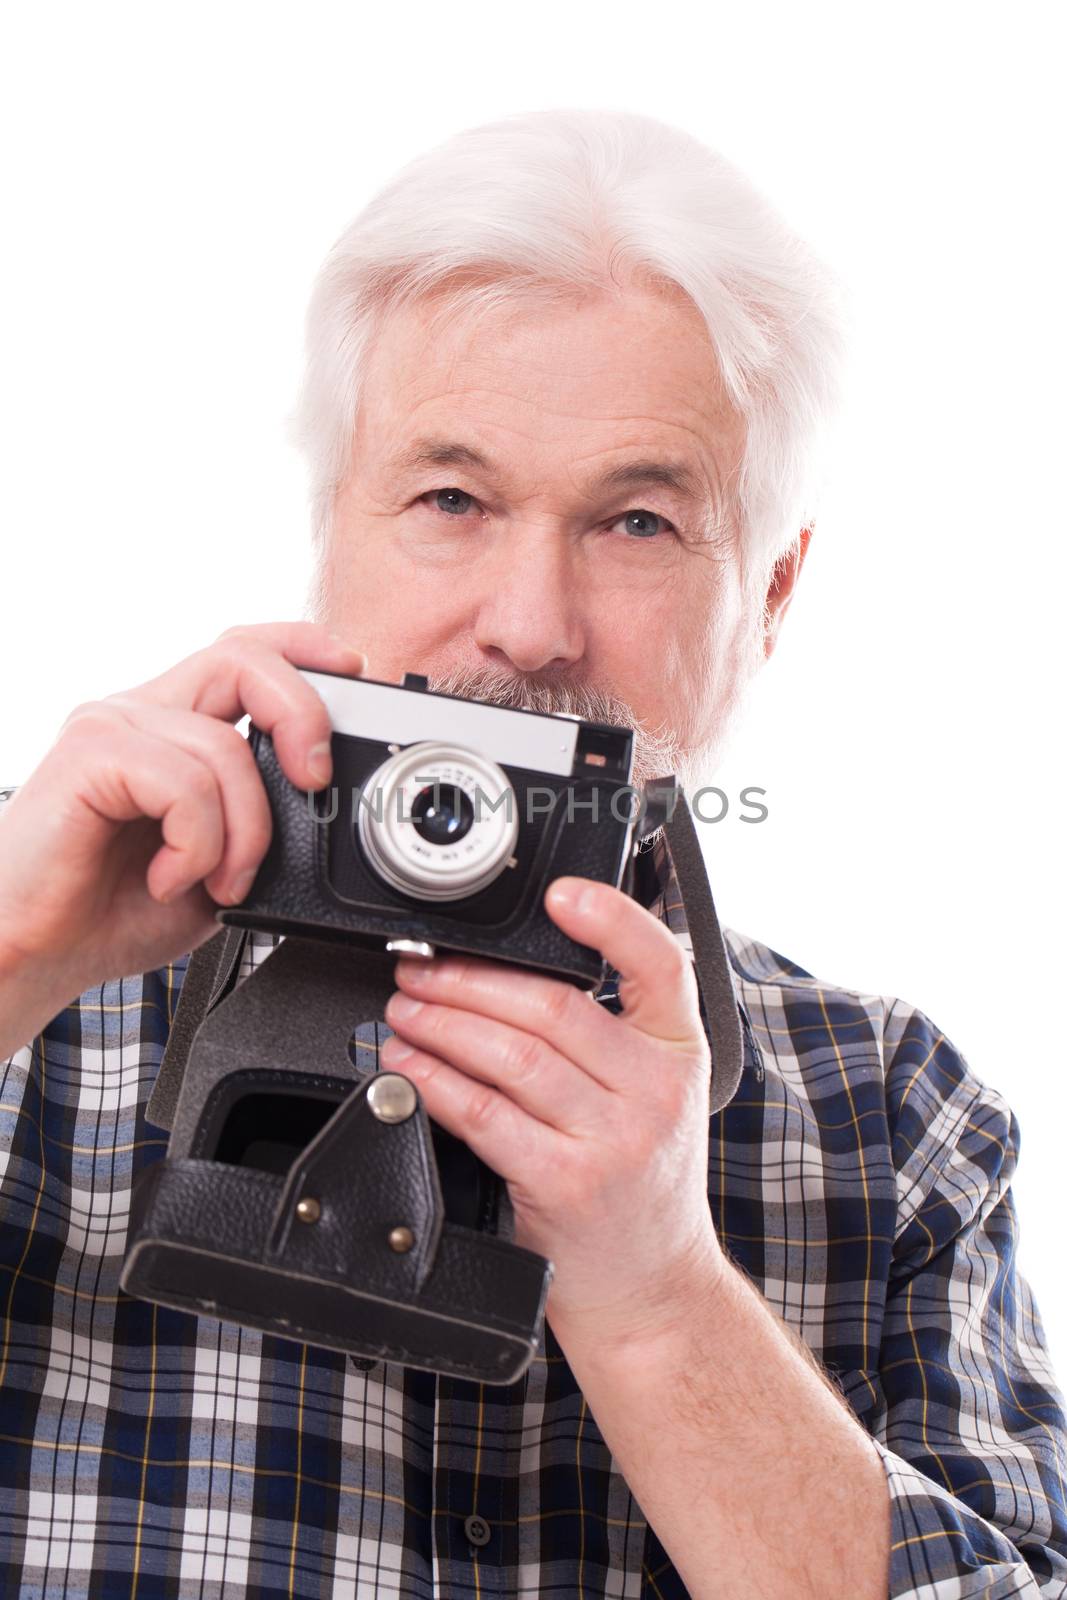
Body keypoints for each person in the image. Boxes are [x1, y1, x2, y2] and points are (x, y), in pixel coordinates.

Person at [0, 107, 1064, 1600]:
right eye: (451, 499)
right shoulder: (41, 1019)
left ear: (770, 598)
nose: (529, 623)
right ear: (330, 526)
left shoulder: (896, 1120)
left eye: (635, 521)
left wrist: (661, 1297)